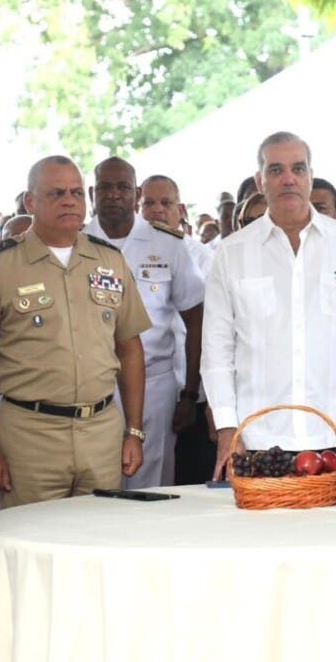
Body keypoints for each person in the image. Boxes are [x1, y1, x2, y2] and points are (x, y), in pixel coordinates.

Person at [0, 155, 152, 506]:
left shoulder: (110, 260)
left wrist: (134, 430)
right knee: (31, 537)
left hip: (100, 432)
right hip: (31, 436)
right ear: (30, 202)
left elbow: (130, 347)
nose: (70, 201)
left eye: (77, 192)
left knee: (99, 534)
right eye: (57, 193)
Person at [203, 131, 336, 479]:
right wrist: (227, 427)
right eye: (276, 170)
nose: (288, 179)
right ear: (260, 181)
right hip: (258, 438)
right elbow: (216, 350)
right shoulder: (232, 253)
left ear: (310, 176)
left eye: (298, 169)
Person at [85, 159, 206, 488]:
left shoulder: (167, 244)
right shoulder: (76, 243)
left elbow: (195, 321)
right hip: (93, 385)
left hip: (155, 384)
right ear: (93, 193)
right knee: (96, 484)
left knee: (151, 484)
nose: (114, 194)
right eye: (105, 187)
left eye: (123, 187)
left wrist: (189, 393)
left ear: (136, 194)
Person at [140, 175, 216, 484]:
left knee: (189, 480)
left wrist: (193, 393)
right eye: (148, 203)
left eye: (166, 203)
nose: (157, 210)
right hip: (150, 392)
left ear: (181, 209)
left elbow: (210, 327)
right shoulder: (129, 252)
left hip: (193, 393)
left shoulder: (202, 257)